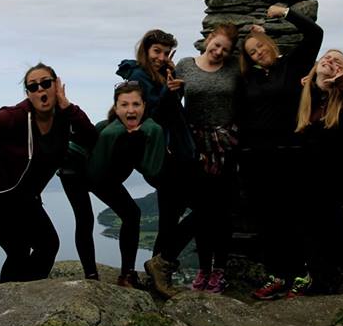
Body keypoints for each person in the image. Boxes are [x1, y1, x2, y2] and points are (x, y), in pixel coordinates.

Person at [0, 63, 97, 283]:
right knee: (18, 249)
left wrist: (68, 106)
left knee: (48, 245)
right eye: (33, 86)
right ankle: (7, 298)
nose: (40, 90)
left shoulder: (64, 117)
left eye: (46, 83)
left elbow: (90, 137)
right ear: (28, 93)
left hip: (24, 197)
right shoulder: (14, 117)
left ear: (56, 86)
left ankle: (30, 292)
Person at [237, 4, 324, 300]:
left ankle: (302, 275)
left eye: (260, 46)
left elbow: (315, 34)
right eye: (252, 52)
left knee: (294, 217)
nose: (258, 53)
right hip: (256, 158)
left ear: (270, 43)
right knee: (267, 220)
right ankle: (276, 275)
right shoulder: (248, 78)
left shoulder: (293, 64)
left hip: (291, 154)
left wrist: (286, 13)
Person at [116, 29, 196, 296]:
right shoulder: (139, 77)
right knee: (206, 207)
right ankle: (161, 265)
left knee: (169, 219)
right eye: (156, 51)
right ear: (146, 50)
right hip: (163, 158)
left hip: (173, 154)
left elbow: (169, 112)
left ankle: (158, 276)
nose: (161, 57)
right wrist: (170, 93)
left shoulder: (158, 75)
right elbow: (148, 116)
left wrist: (174, 88)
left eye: (166, 53)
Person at [295, 49, 343, 294]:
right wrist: (311, 83)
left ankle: (342, 272)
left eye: (338, 61)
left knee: (327, 212)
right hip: (316, 172)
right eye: (327, 57)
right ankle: (321, 275)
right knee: (310, 217)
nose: (330, 60)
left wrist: (342, 81)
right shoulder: (306, 97)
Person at [174, 23, 241, 294]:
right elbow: (172, 101)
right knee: (202, 211)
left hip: (227, 146)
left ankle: (219, 270)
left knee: (223, 211)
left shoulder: (235, 67)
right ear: (209, 39)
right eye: (217, 45)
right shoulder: (185, 66)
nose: (219, 51)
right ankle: (203, 269)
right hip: (196, 147)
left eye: (225, 49)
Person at [87, 81, 166, 287]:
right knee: (88, 221)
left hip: (107, 179)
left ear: (144, 106)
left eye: (136, 104)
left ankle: (126, 275)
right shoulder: (106, 130)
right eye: (124, 105)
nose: (131, 110)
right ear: (116, 108)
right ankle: (95, 278)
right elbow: (96, 172)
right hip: (84, 177)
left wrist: (138, 139)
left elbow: (150, 169)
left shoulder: (147, 130)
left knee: (132, 214)